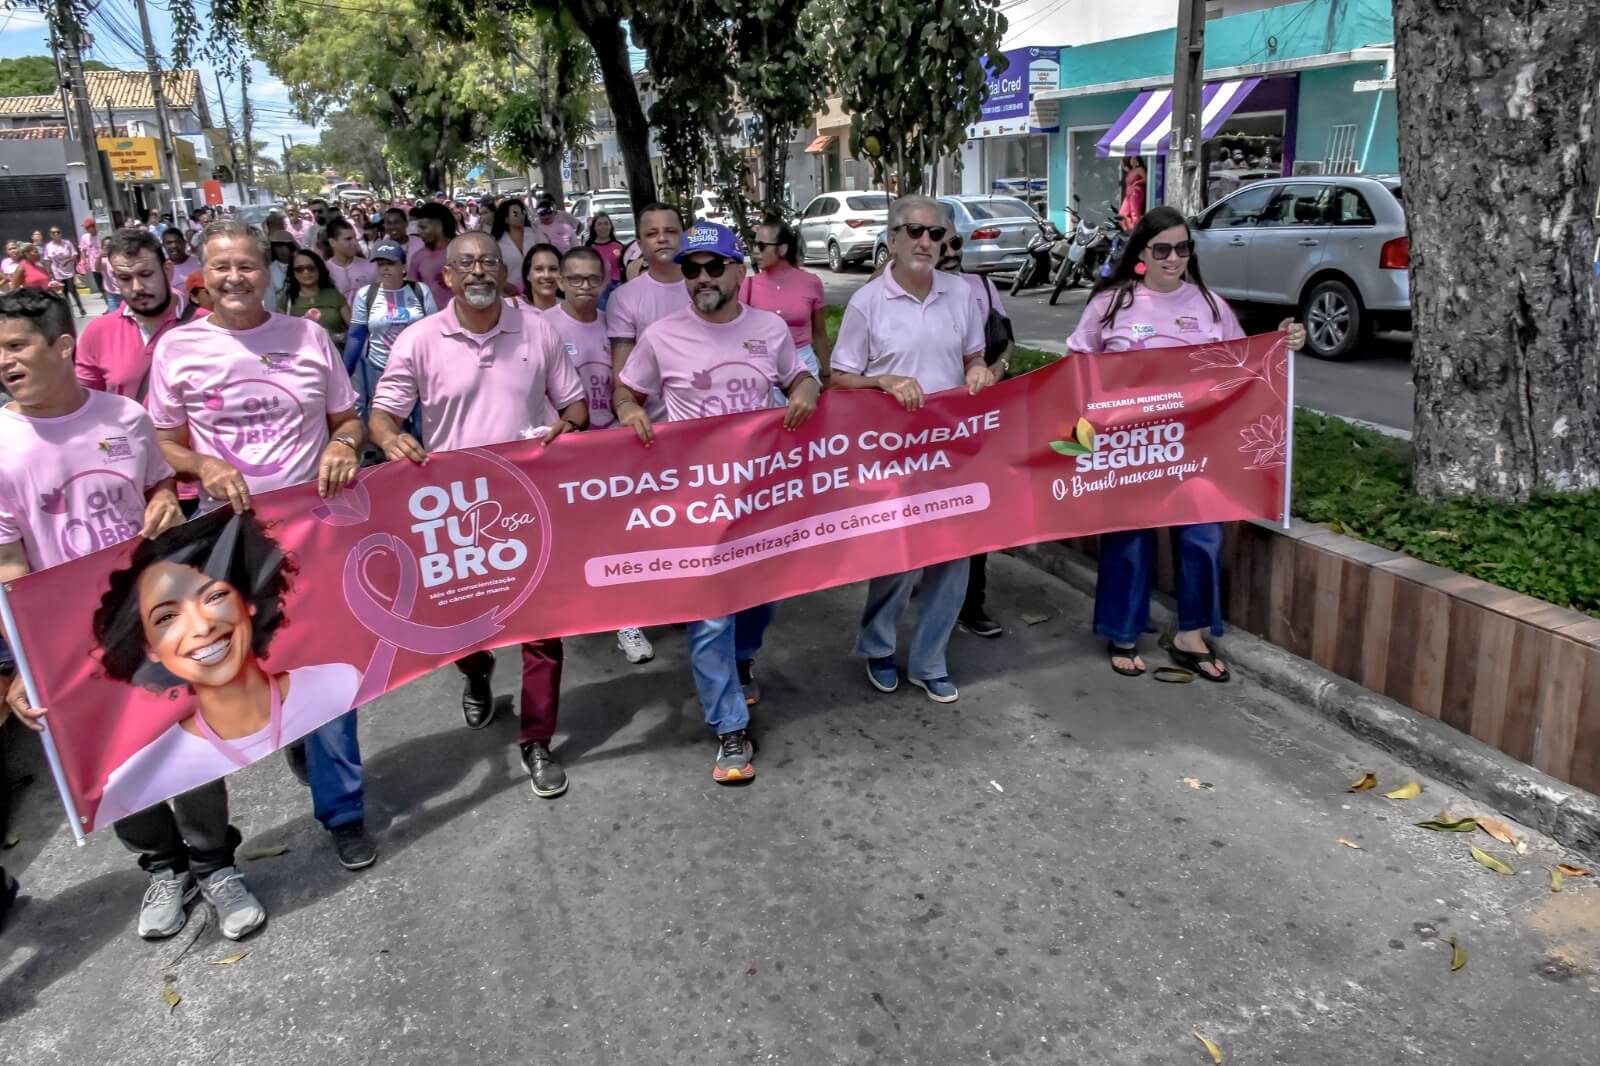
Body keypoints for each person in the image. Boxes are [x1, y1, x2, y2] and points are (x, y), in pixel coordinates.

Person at [0, 289, 265, 943]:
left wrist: (163, 504)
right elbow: (8, 566)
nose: (3, 361)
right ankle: (163, 868)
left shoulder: (125, 417)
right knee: (112, 762)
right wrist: (25, 665)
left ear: (63, 348)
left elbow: (157, 489)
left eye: (15, 346)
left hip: (153, 622)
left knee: (191, 746)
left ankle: (215, 865)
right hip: (68, 645)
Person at [145, 220, 377, 870]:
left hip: (314, 535)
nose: (235, 278)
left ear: (268, 271)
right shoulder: (178, 349)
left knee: (327, 676)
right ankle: (296, 741)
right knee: (259, 671)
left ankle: (344, 813)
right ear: (202, 275)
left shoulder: (306, 338)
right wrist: (199, 468)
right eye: (222, 268)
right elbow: (161, 442)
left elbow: (348, 418)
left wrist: (341, 444)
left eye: (246, 266)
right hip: (225, 546)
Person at [368, 230, 588, 799]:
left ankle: (537, 741)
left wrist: (567, 428)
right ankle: (476, 671)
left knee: (543, 631)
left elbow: (577, 406)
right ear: (446, 276)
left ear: (503, 270)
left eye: (488, 261)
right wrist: (390, 441)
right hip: (453, 513)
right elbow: (384, 416)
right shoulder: (418, 340)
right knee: (461, 631)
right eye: (465, 263)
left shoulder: (537, 330)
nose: (478, 271)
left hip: (529, 505)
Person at [615, 221, 819, 783]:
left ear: (738, 270)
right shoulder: (661, 336)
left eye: (712, 267)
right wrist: (631, 410)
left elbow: (799, 375)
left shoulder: (770, 330)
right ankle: (729, 727)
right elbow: (627, 389)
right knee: (709, 617)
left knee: (763, 599)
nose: (700, 278)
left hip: (761, 496)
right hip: (695, 503)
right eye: (690, 269)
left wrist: (804, 392)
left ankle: (744, 657)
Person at [1067, 205, 1306, 679]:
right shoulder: (1110, 305)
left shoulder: (1210, 305)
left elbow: (1243, 362)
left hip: (1195, 447)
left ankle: (1191, 633)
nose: (1173, 258)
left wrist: (1281, 341)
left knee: (1202, 537)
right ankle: (1124, 631)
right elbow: (1077, 366)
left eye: (1182, 248)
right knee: (1128, 539)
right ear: (1142, 253)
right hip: (1130, 447)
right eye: (1162, 249)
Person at [91, 511, 362, 826]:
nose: (201, 627)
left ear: (248, 600)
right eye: (166, 618)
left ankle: (345, 818)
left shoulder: (338, 683)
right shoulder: (137, 773)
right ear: (148, 648)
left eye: (214, 596)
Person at [830, 196, 995, 704]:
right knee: (898, 562)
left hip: (951, 451)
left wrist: (978, 369)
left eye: (935, 233)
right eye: (915, 231)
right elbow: (838, 376)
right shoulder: (868, 302)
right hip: (890, 455)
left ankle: (930, 660)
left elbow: (974, 353)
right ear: (894, 239)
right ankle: (878, 648)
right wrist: (881, 380)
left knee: (954, 560)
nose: (926, 241)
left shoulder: (961, 293)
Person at [548, 245, 655, 666]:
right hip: (564, 449)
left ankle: (625, 620)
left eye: (593, 279)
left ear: (607, 282)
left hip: (612, 446)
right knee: (572, 541)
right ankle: (572, 612)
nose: (584, 287)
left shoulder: (615, 328)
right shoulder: (543, 328)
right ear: (559, 281)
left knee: (620, 536)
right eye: (574, 279)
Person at [937, 236, 1012, 641]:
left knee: (977, 508)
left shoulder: (982, 287)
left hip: (976, 420)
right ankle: (930, 592)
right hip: (925, 426)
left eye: (953, 241)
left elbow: (1006, 342)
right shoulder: (903, 295)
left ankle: (971, 603)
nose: (947, 251)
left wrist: (996, 370)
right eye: (935, 241)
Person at [77, 229, 207, 403]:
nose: (137, 287)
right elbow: (85, 405)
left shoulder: (207, 325)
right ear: (114, 278)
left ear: (167, 271)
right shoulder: (97, 332)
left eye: (146, 274)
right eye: (125, 278)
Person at [343, 239, 436, 421]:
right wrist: (346, 372)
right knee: (385, 421)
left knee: (420, 421)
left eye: (391, 263)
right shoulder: (365, 295)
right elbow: (356, 335)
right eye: (381, 264)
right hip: (379, 370)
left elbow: (434, 331)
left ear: (404, 266)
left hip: (417, 370)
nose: (385, 269)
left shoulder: (420, 291)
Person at [740, 218, 830, 400]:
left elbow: (820, 333)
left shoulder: (811, 283)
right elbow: (740, 338)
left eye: (761, 245)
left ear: (782, 249)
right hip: (764, 366)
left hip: (805, 366)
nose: (755, 251)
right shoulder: (748, 285)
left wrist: (827, 373)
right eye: (754, 245)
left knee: (807, 424)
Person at [606, 203, 688, 381]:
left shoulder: (707, 286)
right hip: (648, 406)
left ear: (684, 237)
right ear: (640, 244)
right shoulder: (623, 298)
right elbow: (622, 374)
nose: (662, 239)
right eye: (652, 234)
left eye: (670, 231)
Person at [279, 248, 352, 350]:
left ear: (319, 269)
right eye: (299, 269)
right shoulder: (286, 300)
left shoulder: (335, 295)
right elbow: (279, 333)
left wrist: (339, 337)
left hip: (336, 355)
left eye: (311, 268)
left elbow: (354, 330)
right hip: (301, 358)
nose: (306, 272)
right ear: (293, 272)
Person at [406, 202, 457, 310]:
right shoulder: (418, 257)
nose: (419, 232)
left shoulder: (463, 250)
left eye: (423, 227)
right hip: (433, 322)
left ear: (439, 226)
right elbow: (411, 294)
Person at [325, 218, 377, 303]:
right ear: (332, 242)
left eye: (355, 238)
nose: (355, 243)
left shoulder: (371, 266)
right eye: (348, 239)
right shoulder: (324, 271)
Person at [491, 199, 534, 294]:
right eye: (515, 214)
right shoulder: (497, 244)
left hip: (535, 291)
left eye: (522, 213)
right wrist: (505, 285)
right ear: (506, 219)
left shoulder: (535, 236)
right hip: (509, 295)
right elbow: (492, 270)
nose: (521, 217)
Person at [42, 225, 85, 314]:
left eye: (58, 232)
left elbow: (75, 255)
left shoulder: (67, 243)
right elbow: (47, 260)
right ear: (50, 234)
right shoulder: (48, 246)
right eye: (54, 232)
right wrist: (48, 272)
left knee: (72, 289)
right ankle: (69, 310)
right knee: (63, 292)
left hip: (69, 271)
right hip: (57, 272)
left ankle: (80, 307)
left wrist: (68, 260)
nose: (56, 234)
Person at [586, 212, 624, 297]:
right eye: (599, 224)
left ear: (611, 226)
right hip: (598, 289)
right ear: (594, 228)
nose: (603, 227)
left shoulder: (619, 247)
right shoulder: (589, 248)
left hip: (618, 288)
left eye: (606, 224)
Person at [520, 243, 563, 312]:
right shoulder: (510, 306)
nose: (546, 275)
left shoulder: (571, 310)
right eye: (539, 269)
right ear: (528, 274)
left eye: (553, 269)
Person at [265, 232, 297, 314]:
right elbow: (269, 300)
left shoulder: (300, 264)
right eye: (277, 246)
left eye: (284, 245)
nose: (280, 250)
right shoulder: (270, 270)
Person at [1119, 157, 1147, 231]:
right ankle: (1129, 230)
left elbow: (1145, 179)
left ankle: (1137, 231)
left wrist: (1137, 182)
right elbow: (1123, 166)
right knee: (1122, 214)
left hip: (1135, 192)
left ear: (1137, 161)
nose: (1131, 161)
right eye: (1131, 159)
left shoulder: (1140, 169)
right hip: (1128, 194)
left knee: (1135, 213)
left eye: (1133, 159)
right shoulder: (1131, 171)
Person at [78, 218, 102, 295]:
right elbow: (82, 249)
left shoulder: (101, 235)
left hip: (104, 265)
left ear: (94, 226)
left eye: (88, 227)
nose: (86, 229)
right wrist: (83, 261)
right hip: (94, 266)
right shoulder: (85, 237)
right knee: (101, 287)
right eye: (86, 228)